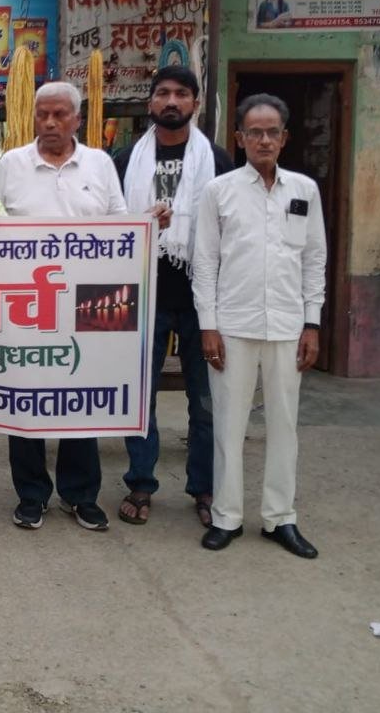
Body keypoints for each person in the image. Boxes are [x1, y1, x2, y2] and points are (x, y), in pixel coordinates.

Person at [0, 82, 153, 533]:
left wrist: (146, 228)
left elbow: (120, 226)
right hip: (28, 303)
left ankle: (80, 495)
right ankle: (31, 495)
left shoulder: (100, 163)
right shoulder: (12, 164)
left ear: (77, 119)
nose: (49, 123)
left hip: (91, 302)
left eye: (60, 115)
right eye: (42, 114)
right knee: (25, 395)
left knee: (82, 397)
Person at [193, 94, 327, 559]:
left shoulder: (304, 190)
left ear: (284, 138)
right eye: (255, 132)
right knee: (228, 423)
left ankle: (279, 518)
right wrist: (208, 326)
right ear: (240, 138)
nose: (264, 139)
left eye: (272, 132)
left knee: (284, 425)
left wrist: (312, 324)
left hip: (289, 325)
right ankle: (227, 516)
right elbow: (204, 263)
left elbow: (314, 260)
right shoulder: (220, 191)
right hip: (233, 324)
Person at [113, 66, 234, 528]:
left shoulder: (219, 161)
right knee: (137, 397)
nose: (171, 101)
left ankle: (202, 487)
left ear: (195, 104)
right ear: (150, 104)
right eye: (162, 93)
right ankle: (140, 483)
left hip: (204, 297)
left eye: (181, 94)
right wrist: (142, 223)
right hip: (141, 293)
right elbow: (110, 224)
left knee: (204, 400)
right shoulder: (124, 160)